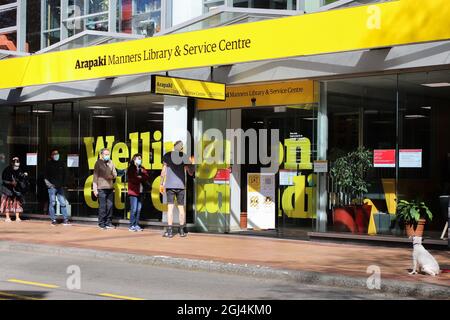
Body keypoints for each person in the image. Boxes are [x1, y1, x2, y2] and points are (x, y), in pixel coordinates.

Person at [160, 141, 194, 238]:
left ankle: (170, 231)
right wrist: (192, 165)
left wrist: (161, 183)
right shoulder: (184, 156)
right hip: (181, 186)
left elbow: (163, 171)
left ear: (174, 147)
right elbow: (190, 173)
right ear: (181, 148)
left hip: (170, 186)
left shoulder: (167, 155)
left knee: (170, 208)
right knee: (181, 209)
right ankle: (182, 231)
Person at [93, 148, 117, 230]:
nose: (107, 156)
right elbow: (95, 177)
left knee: (110, 206)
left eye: (108, 154)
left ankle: (108, 222)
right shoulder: (98, 163)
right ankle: (101, 223)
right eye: (106, 154)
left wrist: (112, 176)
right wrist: (95, 189)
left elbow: (115, 174)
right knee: (102, 206)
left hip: (110, 188)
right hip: (101, 188)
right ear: (102, 155)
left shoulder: (111, 162)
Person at [45, 149, 70, 226]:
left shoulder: (62, 164)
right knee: (52, 203)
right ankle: (53, 220)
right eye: (54, 154)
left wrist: (64, 184)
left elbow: (66, 174)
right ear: (51, 155)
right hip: (52, 188)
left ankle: (65, 219)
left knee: (63, 203)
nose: (56, 155)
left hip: (60, 187)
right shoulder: (48, 164)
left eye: (57, 153)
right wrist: (49, 185)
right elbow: (45, 176)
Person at [0, 156, 29, 222]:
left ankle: (17, 217)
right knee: (7, 203)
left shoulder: (19, 170)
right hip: (7, 190)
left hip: (16, 190)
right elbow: (4, 180)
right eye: (15, 164)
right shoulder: (7, 170)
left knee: (17, 203)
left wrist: (24, 176)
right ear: (12, 163)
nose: (16, 166)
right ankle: (7, 217)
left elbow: (22, 179)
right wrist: (11, 182)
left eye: (17, 164)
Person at [127, 153, 149, 232]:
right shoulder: (131, 168)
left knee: (139, 209)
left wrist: (140, 177)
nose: (140, 160)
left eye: (140, 158)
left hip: (141, 191)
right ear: (134, 159)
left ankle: (136, 224)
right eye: (138, 158)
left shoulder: (142, 168)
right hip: (133, 192)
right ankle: (131, 225)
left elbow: (146, 176)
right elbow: (132, 179)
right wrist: (140, 178)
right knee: (134, 209)